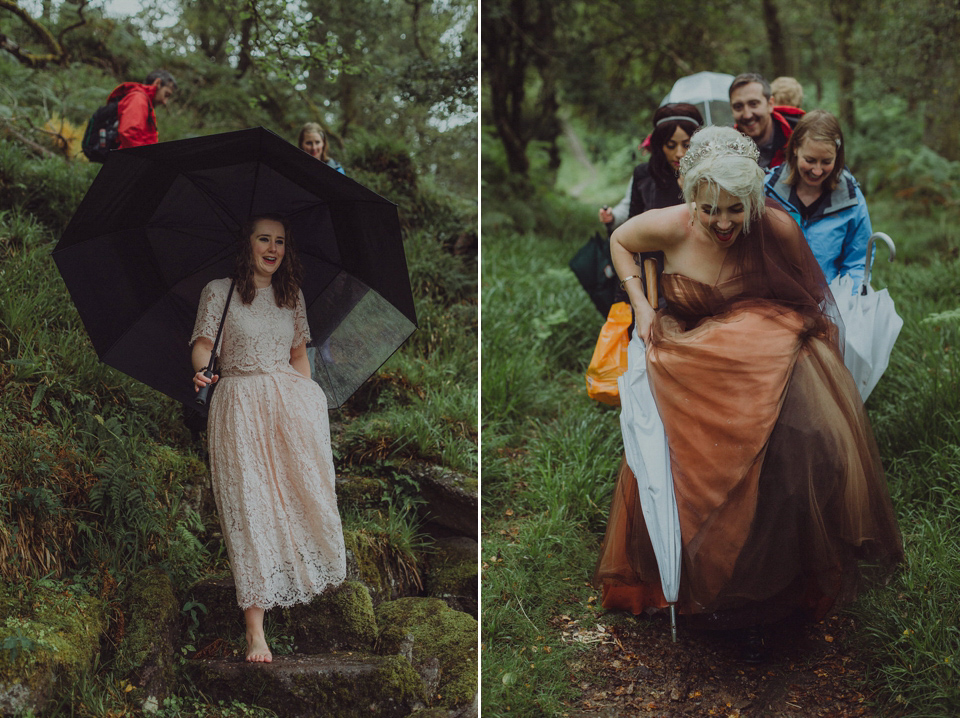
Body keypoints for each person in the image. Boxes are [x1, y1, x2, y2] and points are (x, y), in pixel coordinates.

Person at [594, 126, 902, 639]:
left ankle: (776, 578)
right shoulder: (668, 225)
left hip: (763, 352)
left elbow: (810, 303)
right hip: (689, 357)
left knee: (805, 438)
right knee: (677, 447)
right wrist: (643, 304)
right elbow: (619, 239)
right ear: (691, 197)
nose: (722, 221)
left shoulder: (776, 228)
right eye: (710, 208)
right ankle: (694, 568)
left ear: (753, 200)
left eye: (735, 208)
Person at [191, 214, 346, 663]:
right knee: (250, 505)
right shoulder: (219, 292)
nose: (273, 248)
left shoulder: (289, 295)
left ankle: (295, 574)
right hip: (238, 404)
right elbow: (204, 344)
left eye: (280, 241)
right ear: (248, 244)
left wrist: (307, 408)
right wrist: (201, 370)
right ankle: (255, 632)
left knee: (298, 496)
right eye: (264, 239)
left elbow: (299, 356)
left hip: (288, 406)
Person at [764, 109, 872, 292]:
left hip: (832, 302)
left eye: (826, 161)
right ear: (796, 148)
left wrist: (850, 299)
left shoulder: (851, 199)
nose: (817, 170)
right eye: (810, 160)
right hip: (777, 299)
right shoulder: (767, 191)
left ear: (837, 155)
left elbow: (857, 261)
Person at [598, 104, 703, 231]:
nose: (679, 154)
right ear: (660, 145)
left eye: (686, 145)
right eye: (671, 145)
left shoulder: (708, 175)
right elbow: (633, 223)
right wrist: (612, 219)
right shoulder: (644, 174)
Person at [729, 73, 802, 169]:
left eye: (753, 104)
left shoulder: (799, 138)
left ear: (770, 104)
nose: (747, 115)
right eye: (738, 107)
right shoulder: (726, 149)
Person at [106, 70, 177, 149]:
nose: (165, 102)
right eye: (166, 94)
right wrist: (143, 158)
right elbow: (129, 133)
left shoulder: (144, 102)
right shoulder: (138, 99)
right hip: (128, 158)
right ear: (157, 83)